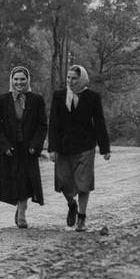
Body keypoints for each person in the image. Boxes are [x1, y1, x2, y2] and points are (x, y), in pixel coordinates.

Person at [48, 64, 111, 232]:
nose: (70, 81)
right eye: (68, 77)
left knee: (84, 184)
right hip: (63, 147)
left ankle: (81, 218)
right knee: (63, 182)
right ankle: (72, 205)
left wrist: (105, 148)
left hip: (85, 146)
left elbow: (99, 122)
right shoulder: (59, 96)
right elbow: (53, 123)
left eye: (74, 78)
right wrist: (52, 148)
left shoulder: (92, 97)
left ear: (82, 79)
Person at [0, 67, 48, 229]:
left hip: (28, 148)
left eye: (22, 79)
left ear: (28, 80)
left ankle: (22, 213)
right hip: (10, 148)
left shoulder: (36, 99)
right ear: (11, 80)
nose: (19, 82)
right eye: (16, 79)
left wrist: (36, 145)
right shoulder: (2, 100)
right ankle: (20, 206)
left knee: (26, 179)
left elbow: (42, 125)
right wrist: (4, 145)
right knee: (14, 180)